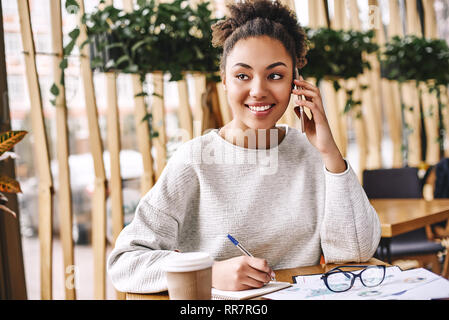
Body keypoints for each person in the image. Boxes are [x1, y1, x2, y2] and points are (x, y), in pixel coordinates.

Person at [107, 0, 381, 293]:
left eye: (275, 75)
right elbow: (126, 262)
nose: (258, 90)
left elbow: (356, 252)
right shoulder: (194, 161)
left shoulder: (314, 155)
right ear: (224, 80)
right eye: (242, 76)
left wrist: (330, 154)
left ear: (295, 83)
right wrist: (207, 272)